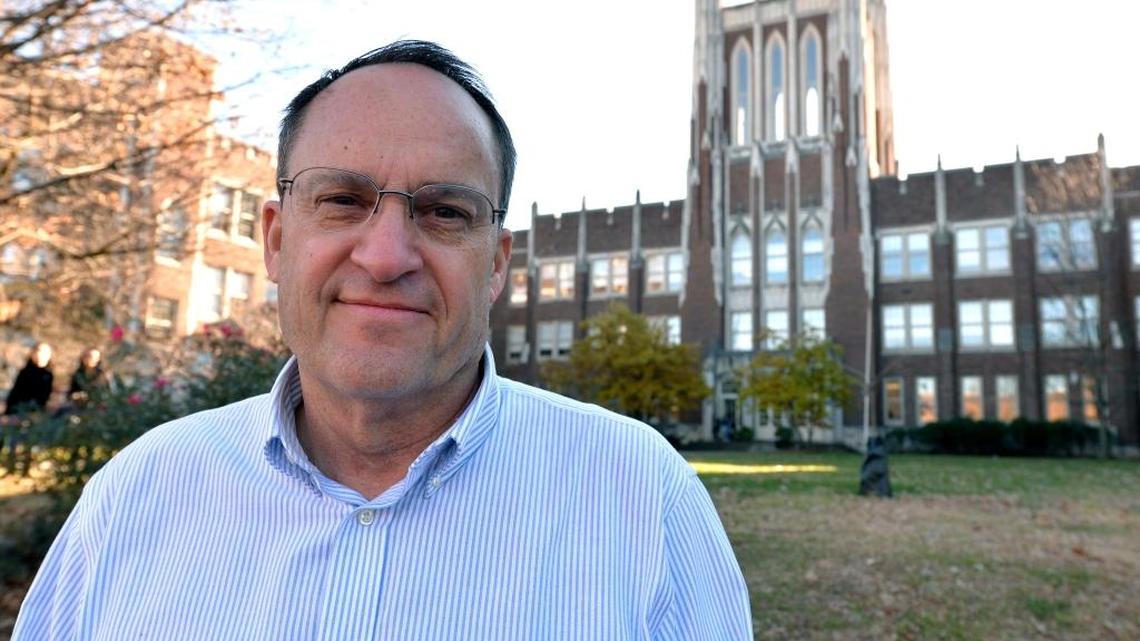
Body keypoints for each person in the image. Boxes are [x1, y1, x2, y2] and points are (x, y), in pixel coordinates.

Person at [15, 41, 751, 639]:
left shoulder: (643, 501)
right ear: (275, 240)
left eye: (444, 212)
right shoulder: (138, 493)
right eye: (342, 200)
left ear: (496, 264)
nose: (387, 255)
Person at [4, 342, 54, 416]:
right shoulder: (25, 373)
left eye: (44, 353)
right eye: (38, 351)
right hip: (18, 412)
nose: (40, 355)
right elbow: (14, 396)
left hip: (37, 413)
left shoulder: (48, 375)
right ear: (32, 354)